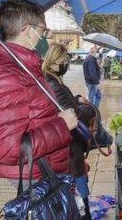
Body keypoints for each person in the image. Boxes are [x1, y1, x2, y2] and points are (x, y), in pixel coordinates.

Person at [0, 0, 78, 210]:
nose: (45, 35)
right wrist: (61, 125)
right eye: (43, 30)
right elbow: (9, 148)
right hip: (23, 181)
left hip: (37, 174)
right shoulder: (4, 76)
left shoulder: (22, 67)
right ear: (28, 30)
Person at [42, 43, 95, 219]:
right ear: (54, 61)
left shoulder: (51, 80)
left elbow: (64, 104)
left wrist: (76, 99)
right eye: (63, 60)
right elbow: (73, 114)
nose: (66, 64)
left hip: (70, 148)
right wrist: (90, 109)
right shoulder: (54, 84)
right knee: (80, 196)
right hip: (70, 150)